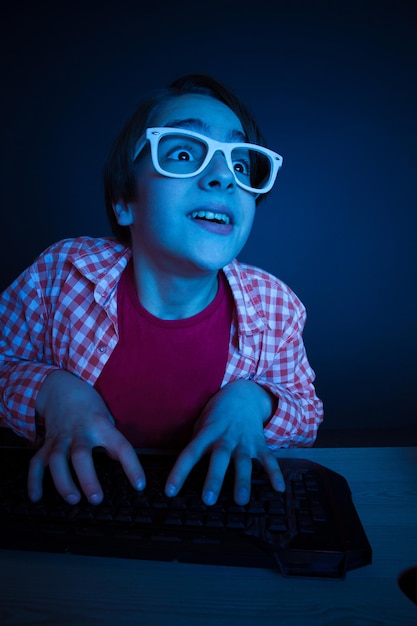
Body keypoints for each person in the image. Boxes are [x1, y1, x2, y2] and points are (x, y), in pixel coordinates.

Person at [0, 74, 323, 508]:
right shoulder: (61, 274)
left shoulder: (277, 308)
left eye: (240, 164)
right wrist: (52, 390)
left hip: (215, 519)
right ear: (124, 201)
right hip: (70, 508)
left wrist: (254, 401)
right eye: (185, 153)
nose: (222, 178)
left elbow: (307, 414)